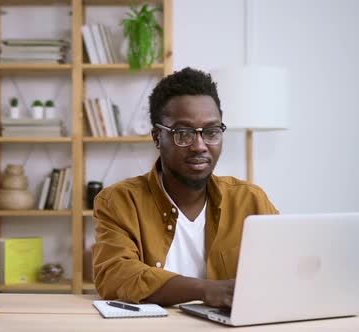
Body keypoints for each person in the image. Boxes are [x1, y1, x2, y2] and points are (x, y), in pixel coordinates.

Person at [91, 67, 278, 307]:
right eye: (184, 133)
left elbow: (286, 267)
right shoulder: (120, 201)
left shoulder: (250, 200)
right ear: (157, 137)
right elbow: (115, 275)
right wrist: (205, 290)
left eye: (211, 132)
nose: (199, 145)